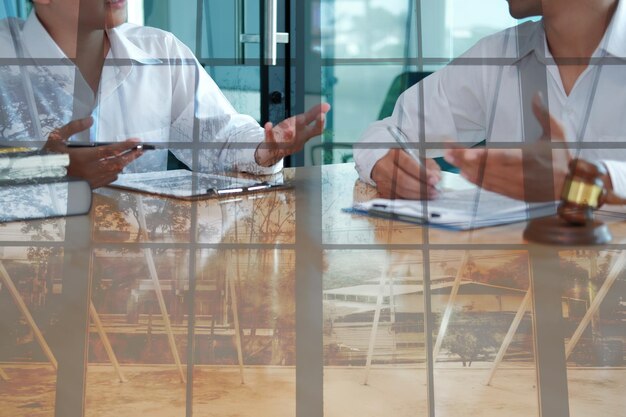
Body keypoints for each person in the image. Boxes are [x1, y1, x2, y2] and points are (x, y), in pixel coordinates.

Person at [0, 0, 329, 188]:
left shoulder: (160, 51)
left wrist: (263, 148)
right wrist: (47, 170)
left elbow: (219, 139)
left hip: (141, 281)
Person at [354, 0, 626, 203]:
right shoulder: (497, 56)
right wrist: (385, 162)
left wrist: (588, 184)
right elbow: (388, 132)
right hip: (512, 272)